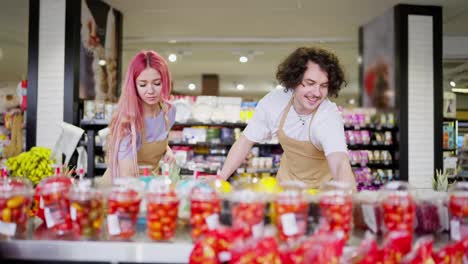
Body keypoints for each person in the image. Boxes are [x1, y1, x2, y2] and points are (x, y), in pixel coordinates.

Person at [219, 47, 356, 189]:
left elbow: (340, 163)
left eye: (323, 86)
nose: (316, 92)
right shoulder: (275, 102)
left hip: (322, 194)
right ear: (294, 80)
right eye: (310, 83)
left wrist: (351, 201)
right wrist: (220, 178)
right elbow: (245, 140)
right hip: (285, 189)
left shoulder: (328, 115)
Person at [101, 50, 176, 182]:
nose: (150, 91)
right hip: (121, 189)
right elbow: (127, 176)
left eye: (157, 83)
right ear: (134, 86)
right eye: (142, 84)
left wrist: (167, 150)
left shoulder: (169, 110)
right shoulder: (128, 121)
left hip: (148, 182)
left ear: (165, 81)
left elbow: (156, 139)